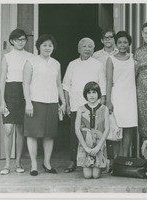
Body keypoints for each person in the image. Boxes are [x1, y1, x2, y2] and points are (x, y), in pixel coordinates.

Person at [23, 34, 66, 176]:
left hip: (52, 102)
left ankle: (47, 162)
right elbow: (25, 83)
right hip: (35, 102)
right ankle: (34, 164)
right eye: (44, 45)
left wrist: (63, 102)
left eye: (50, 45)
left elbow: (59, 84)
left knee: (49, 134)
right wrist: (28, 102)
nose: (48, 48)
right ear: (39, 47)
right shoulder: (31, 62)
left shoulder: (56, 63)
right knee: (33, 134)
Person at [62, 38, 106, 173]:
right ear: (78, 49)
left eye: (90, 47)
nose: (87, 49)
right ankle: (73, 161)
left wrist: (102, 104)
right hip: (76, 105)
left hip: (94, 106)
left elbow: (103, 86)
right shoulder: (72, 64)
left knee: (94, 134)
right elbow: (66, 86)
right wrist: (67, 104)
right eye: (84, 46)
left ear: (93, 49)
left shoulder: (98, 65)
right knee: (75, 133)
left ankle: (96, 161)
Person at [0, 29, 33, 175]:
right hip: (9, 93)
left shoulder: (31, 57)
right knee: (8, 129)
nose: (21, 42)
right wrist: (2, 101)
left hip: (24, 93)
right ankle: (7, 163)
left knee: (20, 129)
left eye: (23, 39)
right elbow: (1, 79)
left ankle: (18, 162)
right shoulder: (7, 57)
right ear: (12, 41)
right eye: (17, 39)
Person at [106, 31, 138, 157]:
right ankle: (116, 159)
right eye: (119, 42)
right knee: (116, 128)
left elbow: (135, 76)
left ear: (129, 43)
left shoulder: (133, 59)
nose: (122, 45)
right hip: (116, 96)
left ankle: (124, 158)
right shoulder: (111, 59)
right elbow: (109, 81)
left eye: (125, 42)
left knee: (129, 128)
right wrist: (108, 101)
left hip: (130, 96)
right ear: (116, 44)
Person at [92, 29, 119, 171]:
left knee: (116, 127)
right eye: (105, 38)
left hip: (117, 93)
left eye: (111, 37)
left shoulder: (121, 53)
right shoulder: (96, 55)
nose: (108, 40)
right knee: (101, 128)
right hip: (101, 95)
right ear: (101, 40)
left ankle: (115, 161)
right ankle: (102, 160)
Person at [75, 82, 110, 179]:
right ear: (85, 95)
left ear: (98, 93)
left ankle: (102, 164)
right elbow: (77, 130)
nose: (91, 95)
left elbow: (107, 129)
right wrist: (85, 147)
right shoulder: (81, 109)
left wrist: (98, 147)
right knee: (87, 176)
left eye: (94, 92)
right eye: (89, 93)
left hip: (99, 145)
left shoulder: (104, 109)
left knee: (95, 176)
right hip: (85, 144)